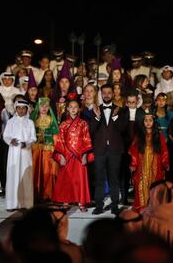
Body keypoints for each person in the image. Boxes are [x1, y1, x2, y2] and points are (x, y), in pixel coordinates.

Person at [90, 84, 128, 215]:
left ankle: (115, 205)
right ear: (101, 94)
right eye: (104, 93)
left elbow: (122, 128)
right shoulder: (95, 109)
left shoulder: (121, 110)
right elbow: (92, 130)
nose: (106, 95)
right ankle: (99, 205)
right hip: (100, 150)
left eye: (109, 92)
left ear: (112, 94)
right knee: (99, 178)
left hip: (115, 150)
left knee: (114, 179)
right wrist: (97, 116)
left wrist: (115, 117)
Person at [52, 93, 93, 211]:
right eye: (71, 107)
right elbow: (60, 140)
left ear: (79, 108)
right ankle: (66, 200)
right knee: (67, 178)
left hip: (80, 156)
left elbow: (87, 139)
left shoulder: (83, 123)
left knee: (80, 179)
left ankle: (81, 202)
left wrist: (85, 154)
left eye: (76, 106)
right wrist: (61, 156)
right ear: (67, 108)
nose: (73, 109)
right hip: (67, 155)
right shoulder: (63, 124)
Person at [129, 114, 169, 212]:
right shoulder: (139, 135)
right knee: (141, 185)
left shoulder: (158, 135)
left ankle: (154, 207)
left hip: (155, 166)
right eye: (146, 120)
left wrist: (165, 163)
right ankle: (142, 208)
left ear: (153, 122)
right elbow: (134, 151)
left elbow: (164, 150)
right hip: (142, 167)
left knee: (154, 185)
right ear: (143, 122)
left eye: (150, 120)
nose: (148, 122)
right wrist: (133, 164)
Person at [3, 99, 36, 211]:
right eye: (19, 108)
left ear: (27, 109)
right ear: (16, 109)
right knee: (13, 175)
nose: (21, 110)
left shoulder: (30, 122)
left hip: (26, 153)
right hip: (13, 152)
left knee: (25, 176)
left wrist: (26, 144)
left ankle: (26, 204)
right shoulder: (10, 122)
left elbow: (33, 138)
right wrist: (10, 141)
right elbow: (5, 136)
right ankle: (12, 204)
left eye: (23, 108)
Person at [30, 97, 59, 203]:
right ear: (38, 106)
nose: (44, 108)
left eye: (46, 106)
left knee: (47, 171)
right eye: (42, 106)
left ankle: (47, 194)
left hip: (48, 149)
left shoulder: (51, 119)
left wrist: (55, 149)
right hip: (36, 149)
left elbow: (55, 135)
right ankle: (36, 193)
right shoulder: (33, 120)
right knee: (36, 170)